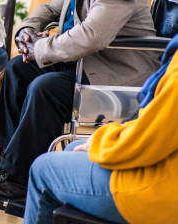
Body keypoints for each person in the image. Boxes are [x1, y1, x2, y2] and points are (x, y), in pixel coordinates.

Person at [0, 0, 160, 201]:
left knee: (44, 89)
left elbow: (92, 36)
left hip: (116, 78)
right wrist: (26, 31)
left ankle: (20, 180)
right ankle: (4, 168)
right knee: (16, 70)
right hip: (87, 66)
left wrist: (40, 48)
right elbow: (49, 10)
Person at [25, 32, 178, 223]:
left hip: (165, 192)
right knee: (72, 149)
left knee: (42, 169)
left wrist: (100, 140)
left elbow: (151, 139)